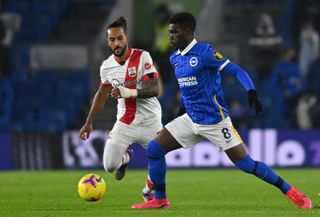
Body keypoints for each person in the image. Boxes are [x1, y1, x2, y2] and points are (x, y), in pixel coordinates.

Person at [131, 12, 313, 209]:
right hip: (191, 119)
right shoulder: (175, 58)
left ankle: (292, 192)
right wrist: (181, 111)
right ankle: (160, 199)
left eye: (174, 32)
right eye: (170, 32)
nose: (171, 36)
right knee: (154, 149)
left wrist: (251, 91)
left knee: (247, 165)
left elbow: (237, 71)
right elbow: (187, 88)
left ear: (187, 32)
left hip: (215, 122)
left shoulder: (205, 53)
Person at [79, 17, 162, 202]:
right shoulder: (107, 66)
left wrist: (127, 91)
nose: (116, 43)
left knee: (160, 161)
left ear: (127, 38)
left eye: (119, 38)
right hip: (125, 122)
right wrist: (88, 121)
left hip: (150, 121)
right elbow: (101, 94)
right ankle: (124, 158)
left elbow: (154, 89)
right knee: (109, 166)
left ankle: (147, 193)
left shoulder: (143, 56)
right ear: (108, 42)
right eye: (112, 40)